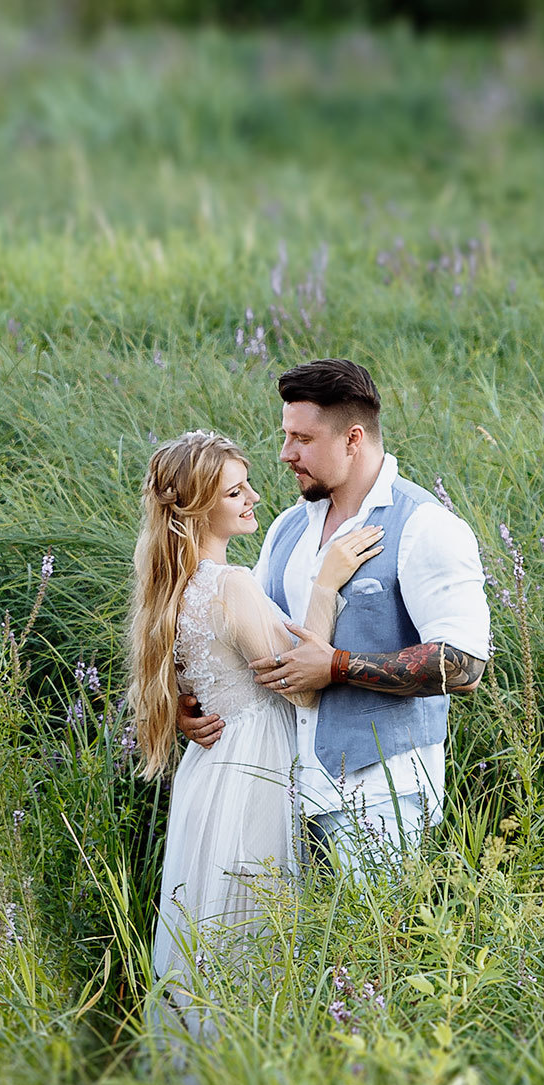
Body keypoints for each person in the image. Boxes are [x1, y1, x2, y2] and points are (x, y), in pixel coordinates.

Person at [174, 358, 491, 868]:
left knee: (370, 946)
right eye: (285, 435)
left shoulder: (426, 527)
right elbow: (248, 640)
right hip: (281, 793)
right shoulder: (285, 530)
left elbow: (465, 665)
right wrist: (195, 705)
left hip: (378, 798)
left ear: (353, 439)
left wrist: (337, 665)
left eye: (303, 439)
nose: (285, 454)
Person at [127, 430, 382, 1030]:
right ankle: (246, 1063)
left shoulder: (174, 588)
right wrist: (327, 582)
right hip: (250, 767)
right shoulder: (230, 583)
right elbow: (298, 681)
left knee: (212, 923)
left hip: (211, 770)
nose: (254, 499)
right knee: (250, 924)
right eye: (235, 492)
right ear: (195, 510)